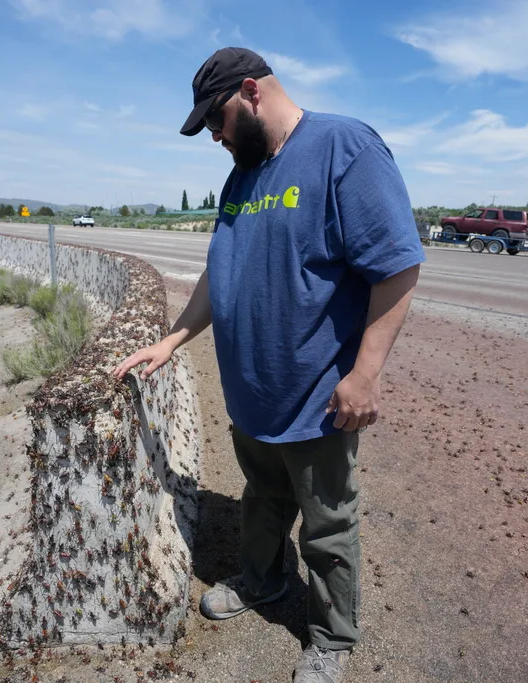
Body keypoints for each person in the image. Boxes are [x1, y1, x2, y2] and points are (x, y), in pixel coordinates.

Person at [113, 47, 424, 683]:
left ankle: (333, 639)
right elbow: (217, 270)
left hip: (317, 397)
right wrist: (173, 340)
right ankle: (262, 582)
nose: (217, 139)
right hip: (253, 394)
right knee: (262, 499)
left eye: (218, 122)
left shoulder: (345, 148)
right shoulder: (242, 177)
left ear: (252, 92)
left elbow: (398, 266)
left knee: (328, 524)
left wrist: (364, 375)